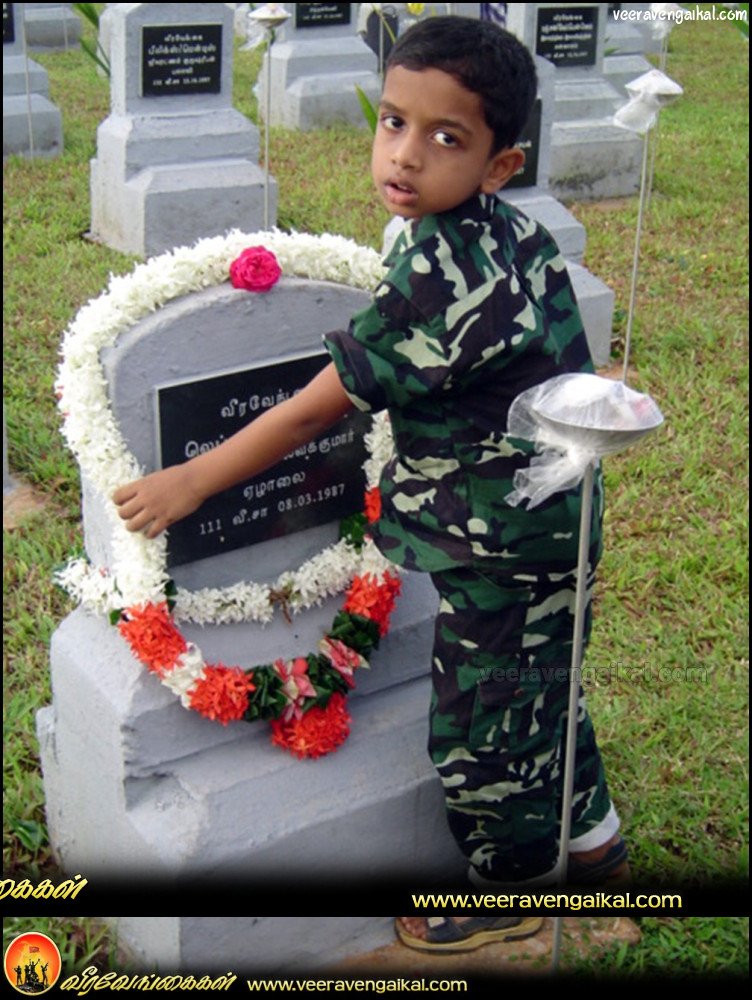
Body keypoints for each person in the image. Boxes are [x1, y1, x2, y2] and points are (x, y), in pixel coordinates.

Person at [113, 16, 628, 954]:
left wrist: (192, 480)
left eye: (445, 137)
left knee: (485, 728)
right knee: (541, 688)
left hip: (501, 548)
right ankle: (592, 840)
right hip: (551, 522)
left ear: (501, 164)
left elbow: (313, 413)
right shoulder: (511, 230)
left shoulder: (441, 269)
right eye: (393, 121)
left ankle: (510, 887)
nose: (406, 154)